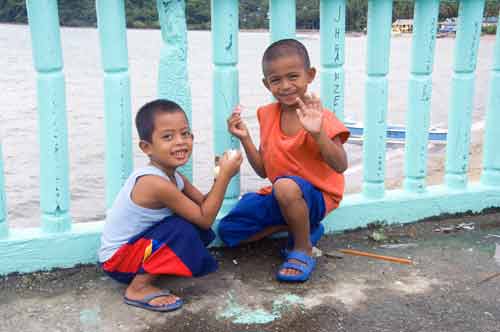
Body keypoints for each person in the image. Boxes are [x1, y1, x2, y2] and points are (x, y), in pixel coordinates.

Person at [218, 39, 349, 282]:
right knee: (229, 231)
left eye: (293, 77)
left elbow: (340, 165)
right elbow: (263, 170)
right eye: (276, 80)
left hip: (317, 196)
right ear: (266, 83)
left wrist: (318, 133)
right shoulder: (266, 115)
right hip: (282, 194)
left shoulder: (319, 116)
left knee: (286, 186)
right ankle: (305, 229)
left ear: (309, 75)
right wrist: (245, 138)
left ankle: (302, 248)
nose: (285, 86)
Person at [98, 99, 242, 312]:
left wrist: (218, 175)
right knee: (181, 227)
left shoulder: (174, 177)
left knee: (194, 229)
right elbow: (205, 217)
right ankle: (138, 288)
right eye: (168, 137)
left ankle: (154, 269)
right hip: (118, 261)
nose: (180, 141)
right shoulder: (153, 183)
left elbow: (204, 204)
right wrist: (225, 178)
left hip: (137, 250)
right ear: (146, 147)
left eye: (185, 134)